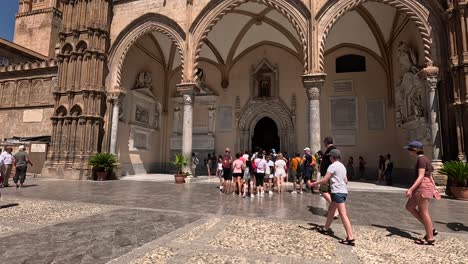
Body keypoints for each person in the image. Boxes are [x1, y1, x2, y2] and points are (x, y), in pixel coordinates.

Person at [311, 149, 354, 246]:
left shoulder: (332, 166)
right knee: (331, 211)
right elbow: (346, 180)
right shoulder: (342, 166)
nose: (329, 158)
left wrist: (313, 184)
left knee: (343, 214)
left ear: (333, 157)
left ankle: (350, 237)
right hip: (342, 191)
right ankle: (325, 229)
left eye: (330, 156)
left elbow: (325, 179)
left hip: (337, 192)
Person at [404, 141, 438, 245]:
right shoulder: (425, 159)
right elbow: (430, 175)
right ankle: (430, 228)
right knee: (409, 206)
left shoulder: (421, 160)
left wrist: (410, 189)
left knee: (424, 212)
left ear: (415, 150)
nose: (408, 151)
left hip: (422, 186)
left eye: (409, 149)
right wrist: (434, 187)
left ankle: (430, 237)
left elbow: (421, 176)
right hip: (425, 185)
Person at [319, 137, 337, 217]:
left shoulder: (332, 149)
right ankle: (332, 211)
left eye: (324, 142)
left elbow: (334, 160)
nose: (324, 143)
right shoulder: (330, 149)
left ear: (326, 141)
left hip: (328, 174)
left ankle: (335, 208)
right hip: (327, 173)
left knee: (323, 190)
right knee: (329, 192)